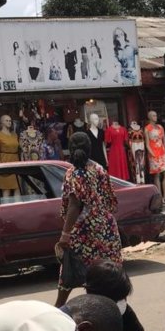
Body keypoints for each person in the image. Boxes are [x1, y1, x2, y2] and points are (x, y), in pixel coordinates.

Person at [55, 131, 122, 310]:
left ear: (70, 150)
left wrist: (65, 235)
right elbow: (110, 201)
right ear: (90, 149)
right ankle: (115, 310)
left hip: (83, 231)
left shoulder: (73, 173)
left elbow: (74, 206)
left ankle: (59, 310)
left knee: (69, 272)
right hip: (105, 229)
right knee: (106, 274)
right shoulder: (99, 169)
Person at [145, 111, 165, 205]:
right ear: (149, 117)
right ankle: (160, 196)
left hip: (161, 152)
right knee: (157, 174)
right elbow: (147, 143)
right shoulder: (147, 128)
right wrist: (151, 153)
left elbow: (164, 139)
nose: (155, 117)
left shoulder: (160, 127)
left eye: (156, 115)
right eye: (153, 115)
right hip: (153, 152)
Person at [0, 114, 20, 198]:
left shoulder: (14, 135)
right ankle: (6, 210)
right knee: (6, 190)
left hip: (16, 162)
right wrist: (0, 165)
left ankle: (18, 209)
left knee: (17, 188)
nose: (9, 122)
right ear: (2, 122)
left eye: (10, 120)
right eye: (7, 120)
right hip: (5, 163)